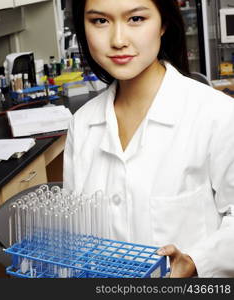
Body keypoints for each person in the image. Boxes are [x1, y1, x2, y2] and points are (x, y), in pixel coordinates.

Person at [63, 0, 234, 277]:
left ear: (163, 23)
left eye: (136, 19)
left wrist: (195, 261)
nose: (118, 40)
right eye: (100, 21)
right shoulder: (82, 124)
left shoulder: (217, 115)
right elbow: (75, 232)